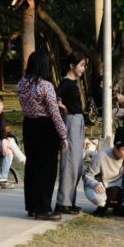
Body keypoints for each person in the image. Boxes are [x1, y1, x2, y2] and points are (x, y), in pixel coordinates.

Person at [17, 50, 68, 221]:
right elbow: (54, 113)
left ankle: (31, 206)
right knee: (46, 170)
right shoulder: (46, 86)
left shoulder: (21, 83)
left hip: (29, 125)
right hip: (46, 128)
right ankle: (43, 209)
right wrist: (63, 135)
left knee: (32, 166)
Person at [54, 51, 87, 215]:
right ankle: (63, 202)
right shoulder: (66, 83)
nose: (83, 69)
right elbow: (53, 97)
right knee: (69, 164)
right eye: (81, 65)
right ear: (71, 65)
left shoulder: (73, 83)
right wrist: (63, 108)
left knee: (77, 165)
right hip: (71, 122)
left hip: (78, 122)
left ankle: (69, 201)